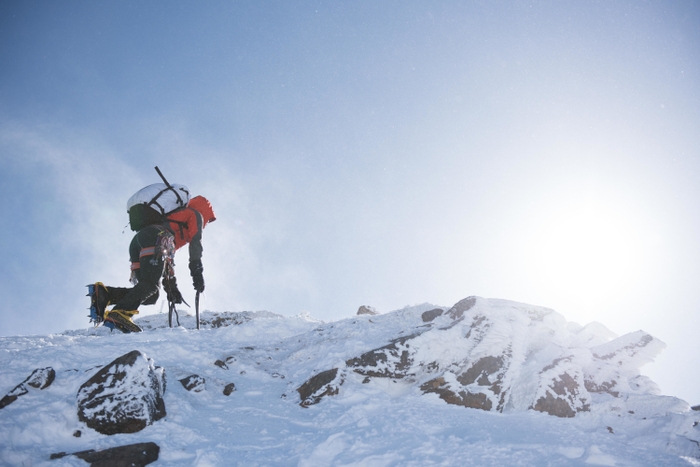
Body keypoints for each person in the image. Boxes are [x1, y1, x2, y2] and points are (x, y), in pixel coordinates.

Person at [88, 181, 216, 333]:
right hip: (154, 238)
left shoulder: (173, 219)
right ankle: (120, 313)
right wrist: (197, 271)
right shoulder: (195, 215)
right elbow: (195, 244)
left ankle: (105, 294)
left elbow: (166, 258)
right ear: (204, 212)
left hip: (139, 242)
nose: (205, 223)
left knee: (151, 295)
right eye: (207, 220)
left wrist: (172, 288)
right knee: (150, 285)